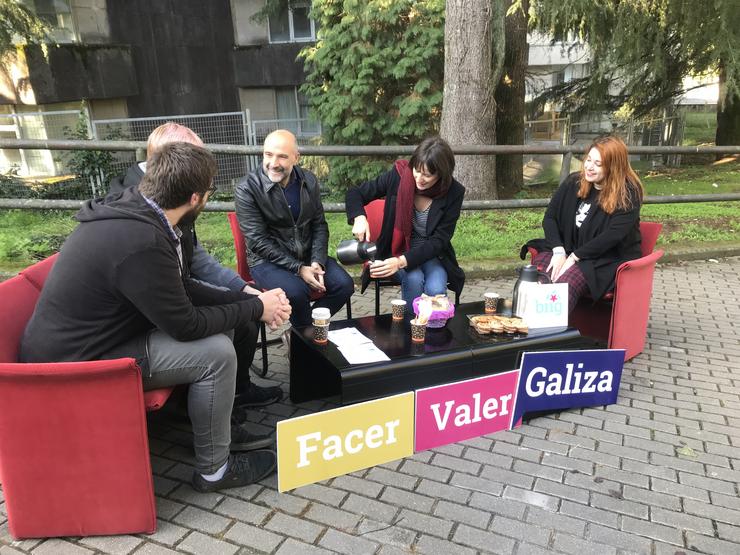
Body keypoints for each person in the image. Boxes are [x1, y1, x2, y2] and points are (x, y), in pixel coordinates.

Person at [20, 142, 291, 492]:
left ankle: (211, 427)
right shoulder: (141, 239)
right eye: (208, 192)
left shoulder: (139, 212)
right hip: (74, 364)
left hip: (95, 339)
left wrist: (246, 298)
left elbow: (178, 288)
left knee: (225, 326)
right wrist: (256, 307)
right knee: (216, 355)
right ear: (195, 198)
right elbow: (185, 324)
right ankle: (215, 471)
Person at [108, 122, 282, 408]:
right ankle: (211, 410)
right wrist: (252, 304)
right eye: (195, 166)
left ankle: (233, 395)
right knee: (227, 337)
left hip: (162, 298)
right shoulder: (138, 218)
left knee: (243, 315)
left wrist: (243, 292)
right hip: (131, 326)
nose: (202, 183)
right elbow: (180, 315)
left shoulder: (162, 199)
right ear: (171, 164)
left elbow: (193, 261)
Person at [235, 129, 354, 327]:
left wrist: (317, 262)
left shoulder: (309, 181)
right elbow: (258, 242)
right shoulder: (247, 188)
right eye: (268, 154)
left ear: (296, 158)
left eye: (282, 156)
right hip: (266, 261)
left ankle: (301, 332)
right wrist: (299, 269)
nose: (273, 163)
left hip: (307, 254)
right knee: (297, 292)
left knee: (344, 285)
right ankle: (307, 339)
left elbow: (319, 225)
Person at [521, 135, 645, 313]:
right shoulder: (574, 182)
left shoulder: (628, 193)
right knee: (536, 278)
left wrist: (573, 258)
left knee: (563, 284)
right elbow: (550, 218)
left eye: (598, 164)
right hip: (568, 249)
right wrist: (558, 251)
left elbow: (612, 236)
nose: (589, 167)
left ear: (613, 167)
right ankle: (519, 330)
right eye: (588, 160)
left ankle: (549, 336)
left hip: (603, 259)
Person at [345, 136, 465, 305]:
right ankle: (411, 328)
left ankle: (434, 328)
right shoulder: (399, 176)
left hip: (431, 254)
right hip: (396, 251)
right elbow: (355, 193)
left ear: (442, 174)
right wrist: (359, 217)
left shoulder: (453, 192)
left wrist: (401, 262)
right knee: (414, 279)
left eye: (427, 175)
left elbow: (439, 241)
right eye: (417, 170)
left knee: (436, 288)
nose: (419, 179)